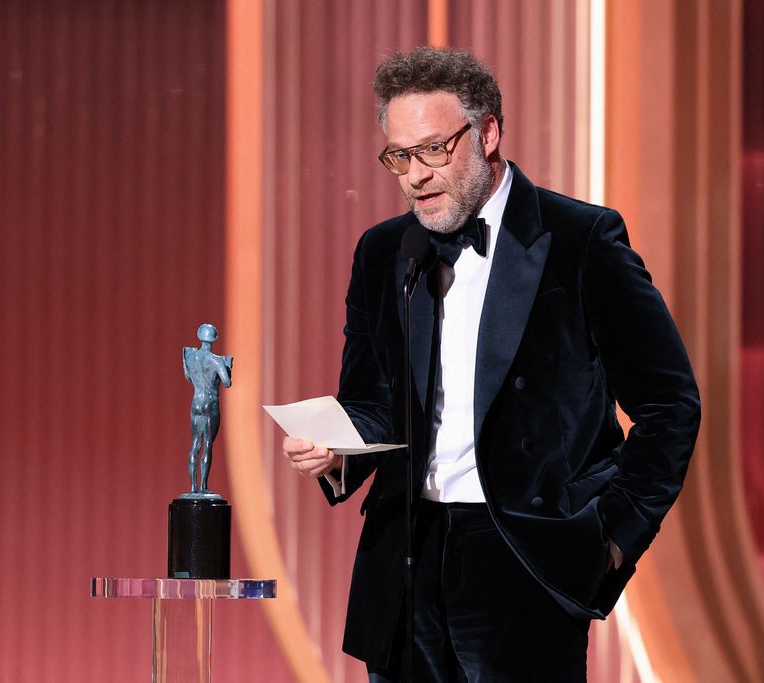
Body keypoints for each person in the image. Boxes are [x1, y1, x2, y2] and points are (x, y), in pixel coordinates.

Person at [283, 47, 700, 682]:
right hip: (404, 558)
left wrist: (610, 540)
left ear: (488, 134)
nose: (415, 175)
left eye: (433, 150)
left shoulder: (581, 240)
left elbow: (670, 406)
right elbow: (372, 402)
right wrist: (340, 451)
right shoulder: (381, 253)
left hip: (527, 558)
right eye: (399, 156)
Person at [183, 323, 232, 495]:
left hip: (196, 401)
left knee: (195, 444)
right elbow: (227, 383)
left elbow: (188, 377)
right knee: (208, 444)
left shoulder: (189, 356)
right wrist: (227, 367)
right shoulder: (216, 360)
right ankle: (203, 485)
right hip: (210, 403)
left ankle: (192, 487)